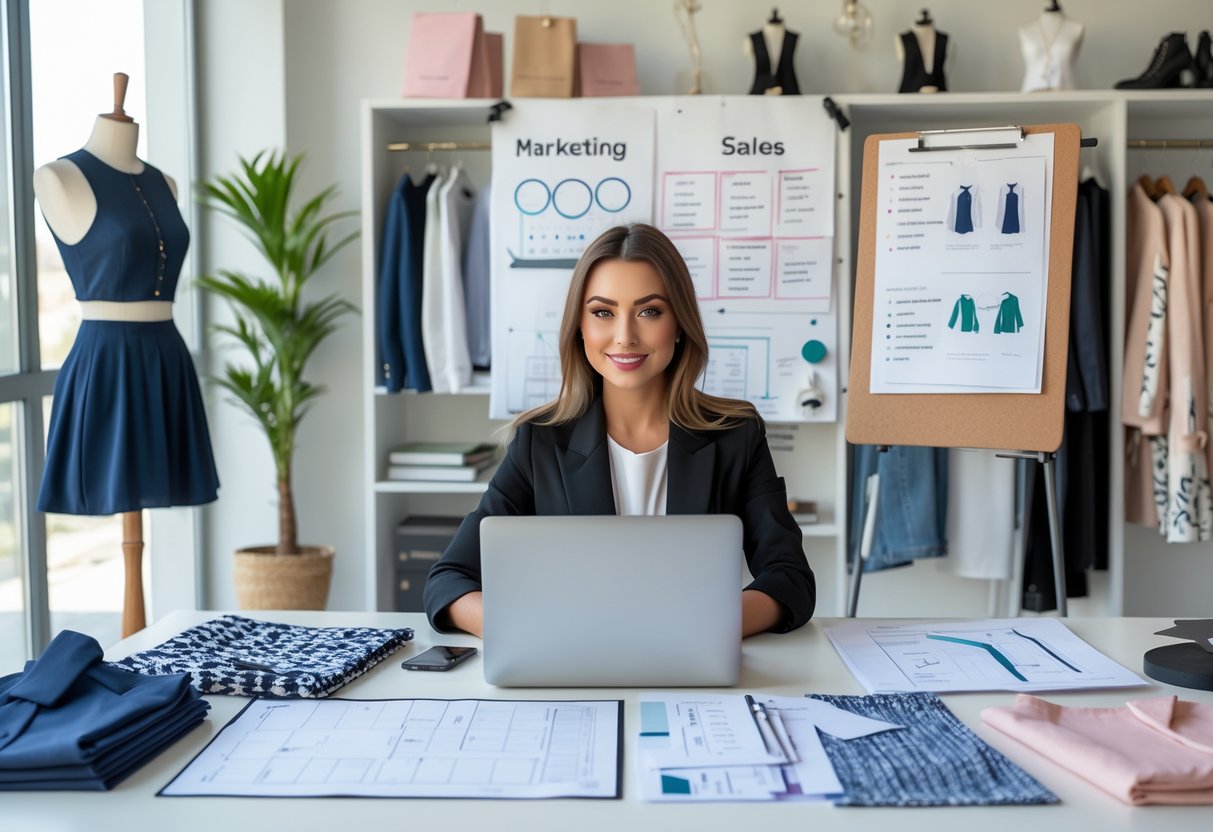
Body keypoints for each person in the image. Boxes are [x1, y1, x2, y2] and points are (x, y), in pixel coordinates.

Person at [423, 223, 816, 638]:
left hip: (692, 667)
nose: (625, 336)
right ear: (580, 325)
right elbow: (449, 579)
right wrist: (531, 632)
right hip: (576, 669)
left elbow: (790, 579)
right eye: (602, 312)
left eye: (649, 311)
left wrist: (706, 625)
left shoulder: (737, 435)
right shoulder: (540, 440)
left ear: (679, 322)